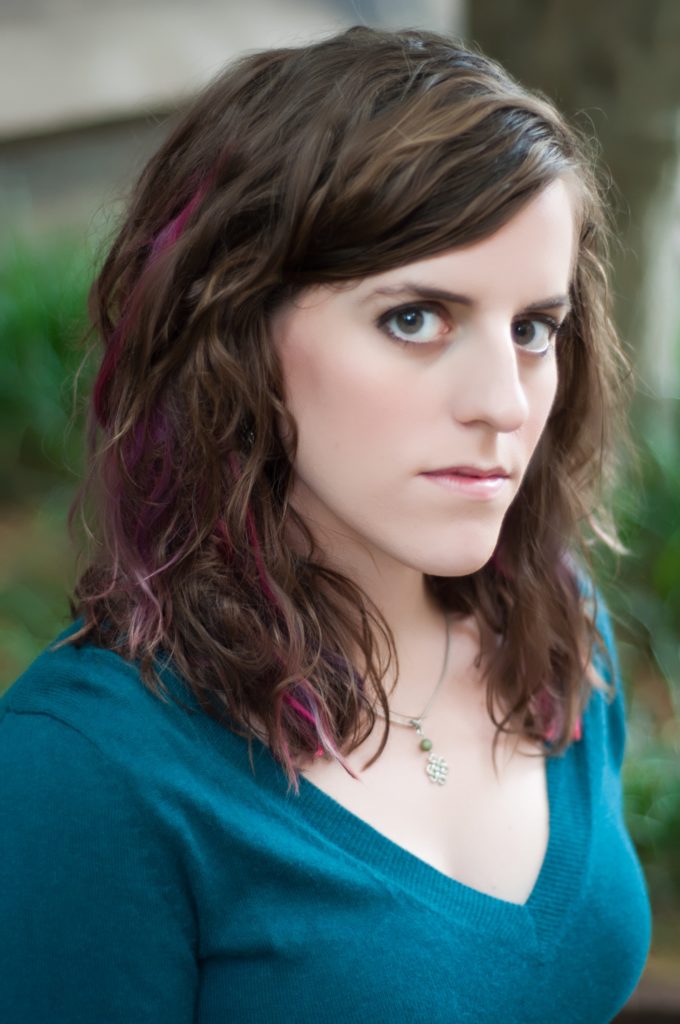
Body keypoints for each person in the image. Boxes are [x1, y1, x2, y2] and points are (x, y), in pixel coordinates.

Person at [0, 25, 651, 1024]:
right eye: (414, 317)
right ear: (235, 330)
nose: (503, 402)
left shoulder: (556, 626)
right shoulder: (84, 771)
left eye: (532, 328)